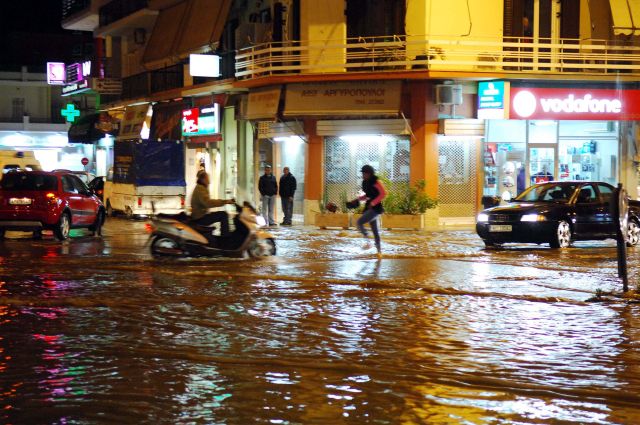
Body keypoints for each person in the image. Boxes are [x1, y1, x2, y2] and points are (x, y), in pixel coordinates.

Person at [355, 165, 386, 256]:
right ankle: (379, 253)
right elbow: (367, 195)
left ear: (369, 173)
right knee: (375, 231)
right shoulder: (365, 182)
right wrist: (358, 199)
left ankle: (368, 242)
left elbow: (383, 193)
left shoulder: (376, 182)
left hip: (376, 209)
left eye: (364, 173)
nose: (363, 175)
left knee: (359, 222)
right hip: (370, 208)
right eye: (362, 173)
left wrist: (373, 202)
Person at [190, 171, 235, 235]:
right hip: (200, 218)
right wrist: (225, 201)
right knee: (223, 215)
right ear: (203, 180)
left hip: (200, 216)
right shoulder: (200, 189)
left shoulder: (200, 187)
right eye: (207, 179)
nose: (209, 182)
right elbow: (208, 203)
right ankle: (225, 238)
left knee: (222, 214)